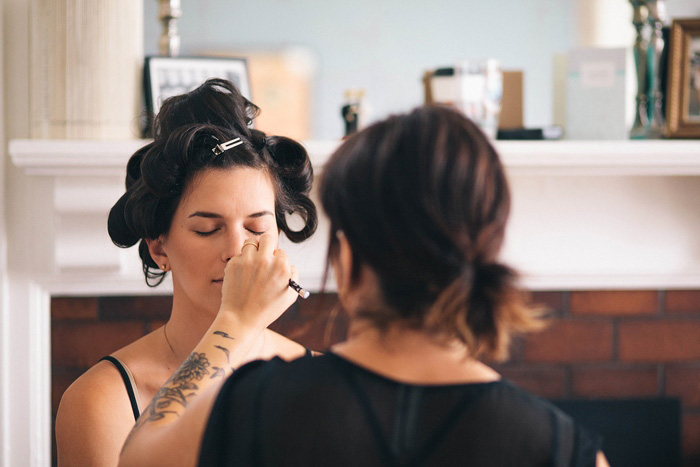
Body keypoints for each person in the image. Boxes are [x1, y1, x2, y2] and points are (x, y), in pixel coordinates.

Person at [119, 105, 609, 466]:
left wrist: (231, 322)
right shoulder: (560, 448)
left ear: (347, 262)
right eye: (208, 228)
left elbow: (140, 455)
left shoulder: (259, 402)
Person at [55, 79, 318, 466]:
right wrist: (236, 324)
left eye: (257, 228)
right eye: (207, 229)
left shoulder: (320, 380)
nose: (236, 249)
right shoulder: (101, 400)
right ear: (160, 248)